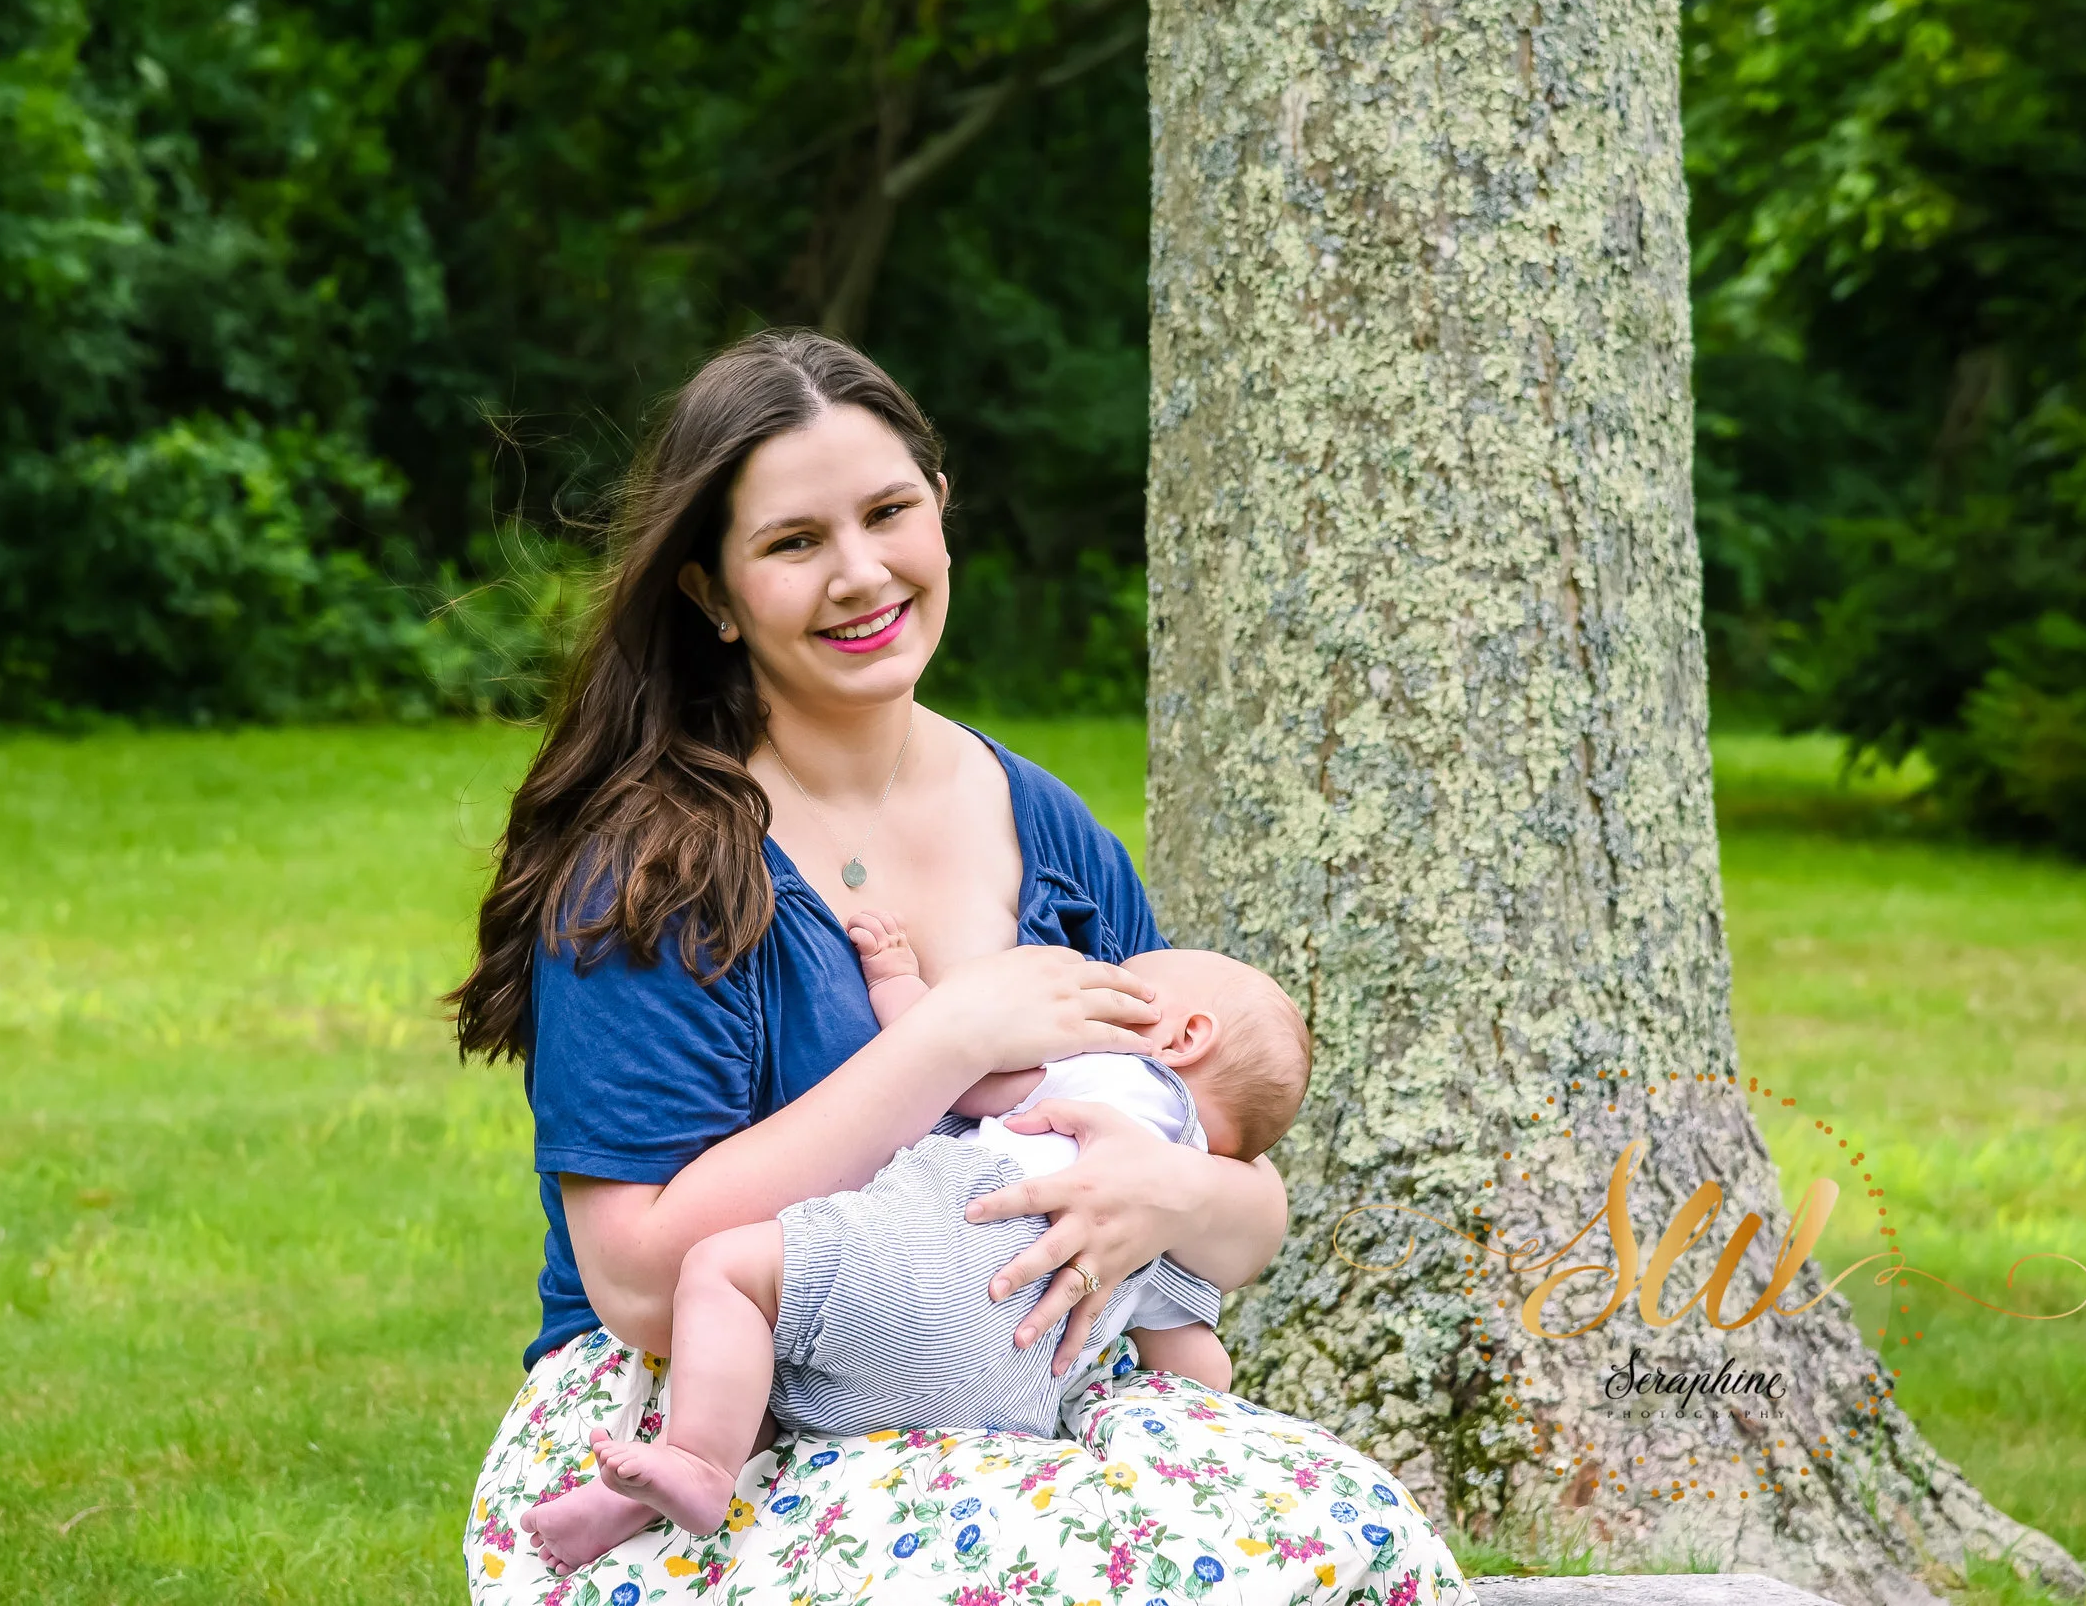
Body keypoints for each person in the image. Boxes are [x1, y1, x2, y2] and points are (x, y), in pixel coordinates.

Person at [454, 329, 1472, 1605]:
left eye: (888, 512)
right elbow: (645, 1280)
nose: (860, 572)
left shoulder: (1042, 831)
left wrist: (1157, 1198)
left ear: (940, 511)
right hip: (710, 1427)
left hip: (1013, 1398)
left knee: (1360, 1542)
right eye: (792, 542)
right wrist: (942, 1041)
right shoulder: (656, 871)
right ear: (712, 594)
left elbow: (1244, 1202)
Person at [522, 920, 1313, 1571]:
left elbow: (969, 1076)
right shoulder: (1163, 1210)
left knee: (728, 1276)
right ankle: (657, 1484)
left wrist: (907, 987)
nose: (1100, 973)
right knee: (775, 1343)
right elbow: (1197, 1361)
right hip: (1010, 1403)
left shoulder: (1118, 1071)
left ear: (1184, 1034)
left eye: (1122, 976)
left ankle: (697, 1460)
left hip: (913, 1285)